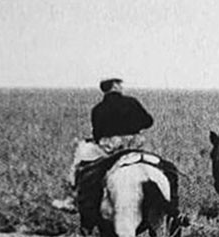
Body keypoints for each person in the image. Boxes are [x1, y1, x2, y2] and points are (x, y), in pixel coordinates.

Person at [52, 78, 155, 212]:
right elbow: (148, 121)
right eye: (119, 84)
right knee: (155, 162)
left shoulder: (97, 109)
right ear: (115, 86)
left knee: (80, 162)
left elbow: (97, 134)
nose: (121, 86)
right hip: (134, 145)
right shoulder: (132, 102)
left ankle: (72, 198)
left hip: (109, 147)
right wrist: (136, 127)